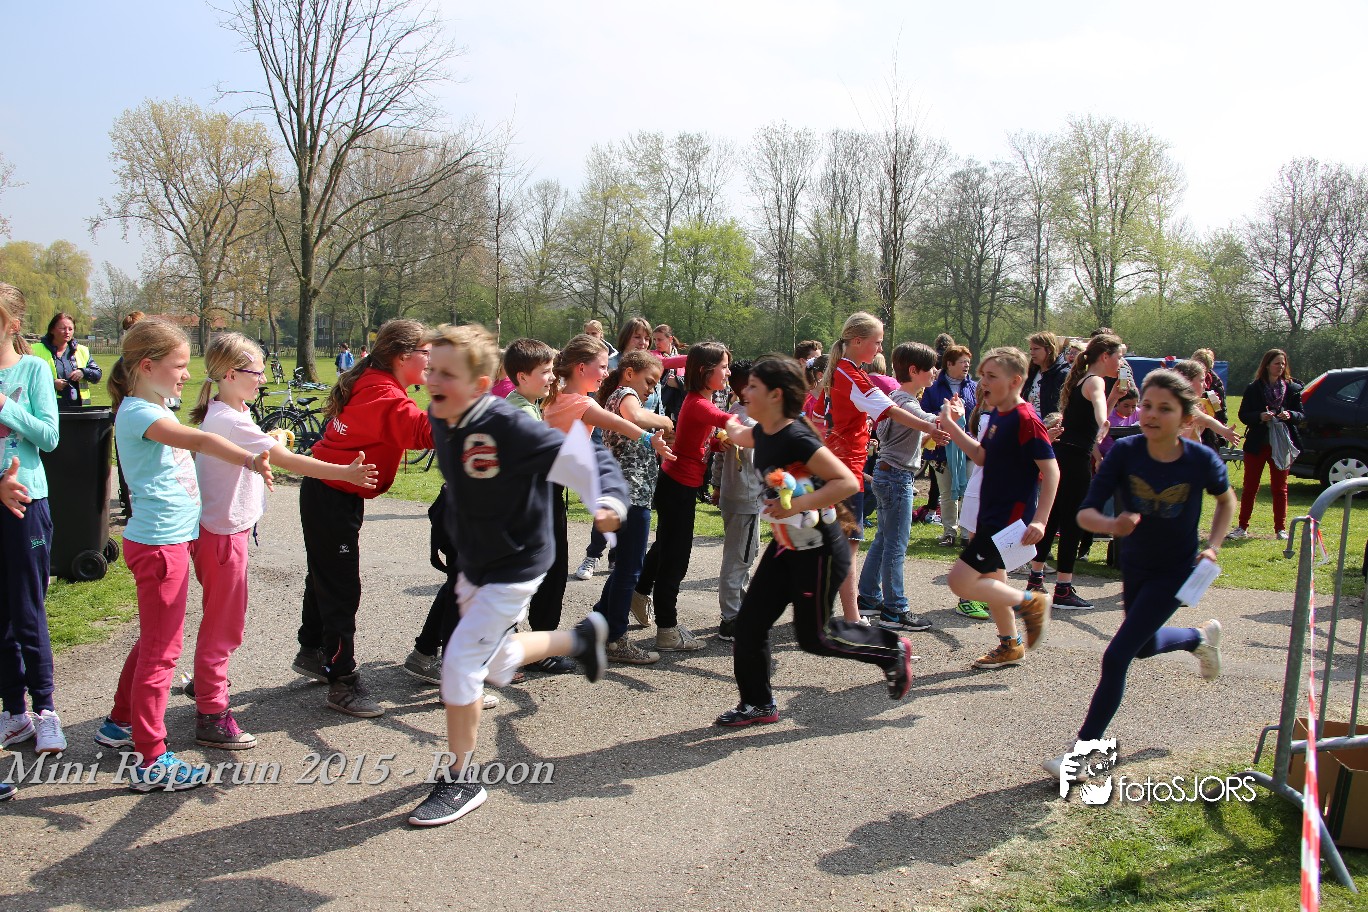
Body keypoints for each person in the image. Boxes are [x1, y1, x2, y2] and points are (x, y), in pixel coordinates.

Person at [406, 323, 625, 826]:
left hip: (517, 562)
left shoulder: (506, 423)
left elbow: (585, 457)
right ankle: (581, 639)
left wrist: (607, 500)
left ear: (481, 386)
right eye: (431, 369)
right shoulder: (442, 413)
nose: (433, 380)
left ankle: (462, 780)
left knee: (460, 665)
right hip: (478, 559)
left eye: (446, 373)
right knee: (497, 658)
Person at [101, 318, 274, 791]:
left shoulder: (154, 405)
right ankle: (151, 759)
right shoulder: (139, 412)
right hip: (160, 547)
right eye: (178, 365)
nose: (186, 374)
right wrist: (249, 458)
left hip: (170, 541)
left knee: (154, 641)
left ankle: (118, 723)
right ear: (147, 366)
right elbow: (200, 441)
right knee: (163, 653)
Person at [189, 333, 377, 749]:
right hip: (222, 537)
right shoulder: (230, 420)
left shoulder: (229, 411)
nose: (261, 379)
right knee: (224, 628)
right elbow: (288, 462)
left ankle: (205, 683)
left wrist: (270, 440)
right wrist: (345, 472)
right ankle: (211, 713)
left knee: (222, 622)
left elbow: (260, 450)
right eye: (256, 372)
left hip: (225, 533)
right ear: (230, 374)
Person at [1043, 369, 1233, 779]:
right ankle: (1198, 639)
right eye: (1146, 405)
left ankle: (1081, 756)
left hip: (1177, 571)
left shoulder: (1200, 459)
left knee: (1116, 656)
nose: (1150, 414)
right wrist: (1113, 524)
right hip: (1135, 566)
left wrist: (1213, 546)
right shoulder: (1126, 452)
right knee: (1142, 647)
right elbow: (1085, 513)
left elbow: (1226, 501)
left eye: (1164, 408)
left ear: (1186, 418)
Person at [714, 356, 913, 726]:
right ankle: (758, 704)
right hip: (786, 545)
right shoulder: (764, 432)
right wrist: (723, 418)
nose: (745, 391)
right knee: (749, 624)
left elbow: (847, 482)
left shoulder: (796, 437)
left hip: (819, 549)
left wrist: (797, 505)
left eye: (753, 386)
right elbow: (739, 434)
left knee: (815, 638)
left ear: (775, 395)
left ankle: (890, 650)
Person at [292, 319, 434, 717]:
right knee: (340, 587)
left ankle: (312, 650)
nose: (431, 360)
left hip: (330, 491)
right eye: (427, 353)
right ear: (403, 356)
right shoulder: (381, 391)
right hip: (331, 493)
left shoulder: (376, 381)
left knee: (325, 575)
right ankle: (343, 682)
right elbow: (423, 432)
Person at [532, 335, 672, 669]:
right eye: (602, 366)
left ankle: (582, 634)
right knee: (553, 574)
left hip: (547, 490)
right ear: (581, 368)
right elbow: (624, 422)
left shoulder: (563, 398)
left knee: (554, 573)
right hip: (544, 492)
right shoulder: (578, 402)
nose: (606, 372)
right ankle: (607, 640)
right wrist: (653, 435)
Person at [822, 313, 948, 623]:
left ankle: (846, 611)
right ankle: (852, 618)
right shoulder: (851, 374)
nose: (880, 349)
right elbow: (891, 410)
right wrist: (930, 427)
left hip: (846, 468)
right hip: (845, 471)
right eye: (877, 342)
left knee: (846, 543)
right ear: (857, 341)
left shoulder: (848, 371)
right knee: (848, 545)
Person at [939, 346, 1058, 670]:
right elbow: (982, 457)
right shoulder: (998, 415)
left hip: (1006, 520)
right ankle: (1011, 645)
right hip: (990, 514)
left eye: (991, 376)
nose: (983, 382)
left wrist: (1041, 521)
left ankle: (1030, 602)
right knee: (994, 583)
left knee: (960, 582)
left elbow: (1051, 471)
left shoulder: (1026, 419)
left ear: (1015, 380)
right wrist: (951, 424)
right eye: (982, 375)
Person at [634, 341, 735, 651]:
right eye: (724, 367)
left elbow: (695, 444)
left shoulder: (700, 399)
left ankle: (639, 593)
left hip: (678, 485)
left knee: (666, 546)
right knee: (676, 559)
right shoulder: (700, 403)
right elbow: (727, 421)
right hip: (677, 487)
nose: (728, 372)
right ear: (705, 371)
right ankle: (667, 629)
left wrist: (715, 444)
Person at [0, 283, 64, 763]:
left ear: (13, 324)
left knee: (26, 609)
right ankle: (14, 711)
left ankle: (45, 710)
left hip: (27, 503)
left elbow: (49, 436)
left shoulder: (34, 369)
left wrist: (6, 406)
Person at [1027, 334, 1123, 610]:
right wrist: (1104, 418)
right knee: (1072, 523)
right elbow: (1098, 408)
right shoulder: (1095, 381)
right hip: (1074, 460)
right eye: (1119, 357)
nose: (1121, 363)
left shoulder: (1084, 379)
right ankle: (1063, 589)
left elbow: (1094, 412)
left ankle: (1035, 579)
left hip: (1063, 457)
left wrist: (1113, 399)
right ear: (1105, 357)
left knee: (1054, 518)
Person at [593, 349, 675, 662]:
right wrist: (665, 420)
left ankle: (600, 624)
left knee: (626, 567)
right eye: (649, 381)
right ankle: (615, 640)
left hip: (628, 494)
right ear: (629, 373)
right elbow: (636, 416)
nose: (652, 389)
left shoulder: (622, 397)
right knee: (630, 570)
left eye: (656, 384)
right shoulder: (624, 395)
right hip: (630, 495)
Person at [857, 342, 938, 631]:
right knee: (896, 545)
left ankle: (868, 597)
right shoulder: (907, 404)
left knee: (883, 539)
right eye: (931, 368)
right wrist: (950, 415)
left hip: (887, 473)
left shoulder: (895, 398)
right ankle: (895, 610)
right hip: (896, 478)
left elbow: (913, 433)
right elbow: (931, 422)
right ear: (914, 371)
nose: (935, 372)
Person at [712, 359, 763, 643]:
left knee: (747, 552)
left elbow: (720, 456)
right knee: (738, 559)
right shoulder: (749, 420)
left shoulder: (733, 412)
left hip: (737, 495)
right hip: (745, 497)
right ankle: (730, 619)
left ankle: (739, 608)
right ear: (746, 388)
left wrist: (717, 485)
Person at [1231, 349, 1303, 541]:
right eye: (1277, 363)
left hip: (1281, 444)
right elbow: (1243, 414)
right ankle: (1242, 527)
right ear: (1267, 365)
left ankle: (1280, 529)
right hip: (1257, 444)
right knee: (1250, 487)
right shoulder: (1254, 388)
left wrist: (1290, 415)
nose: (1280, 367)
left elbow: (1301, 415)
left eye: (1283, 363)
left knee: (1280, 488)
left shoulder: (1292, 389)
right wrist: (1259, 416)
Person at [920, 344, 977, 548]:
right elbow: (924, 414)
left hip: (968, 448)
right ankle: (949, 532)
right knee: (946, 492)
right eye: (962, 362)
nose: (966, 366)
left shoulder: (974, 388)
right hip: (941, 447)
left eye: (968, 362)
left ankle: (966, 533)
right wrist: (944, 418)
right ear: (949, 364)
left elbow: (978, 416)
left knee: (968, 490)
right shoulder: (932, 389)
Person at [34, 312, 101, 410]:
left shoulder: (82, 350)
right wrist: (51, 384)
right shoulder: (35, 350)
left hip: (79, 409)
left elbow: (97, 374)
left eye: (70, 329)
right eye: (62, 328)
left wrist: (83, 372)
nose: (67, 332)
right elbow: (26, 378)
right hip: (47, 409)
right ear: (52, 330)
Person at [1025, 331, 1068, 420]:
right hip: (1031, 424)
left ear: (1050, 349)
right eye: (1031, 349)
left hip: (1051, 425)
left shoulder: (1063, 374)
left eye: (1036, 349)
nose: (1032, 352)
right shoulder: (1032, 372)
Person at [1191, 349, 1229, 451]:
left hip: (1209, 435)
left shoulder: (1215, 384)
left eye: (1205, 368)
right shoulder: (1184, 380)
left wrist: (1222, 436)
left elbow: (1220, 412)